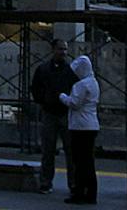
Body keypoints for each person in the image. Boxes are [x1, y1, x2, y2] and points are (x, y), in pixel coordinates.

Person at [31, 38, 77, 193]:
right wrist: (44, 100)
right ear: (53, 50)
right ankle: (46, 182)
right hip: (51, 112)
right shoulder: (45, 69)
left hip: (63, 113)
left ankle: (72, 183)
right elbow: (35, 89)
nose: (63, 52)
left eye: (64, 49)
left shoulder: (69, 70)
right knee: (48, 150)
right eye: (60, 49)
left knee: (70, 151)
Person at [59, 53, 100, 206]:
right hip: (92, 125)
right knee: (88, 162)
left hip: (79, 126)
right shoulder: (94, 83)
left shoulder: (81, 85)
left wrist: (62, 96)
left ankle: (78, 193)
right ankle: (91, 194)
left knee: (79, 161)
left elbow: (74, 103)